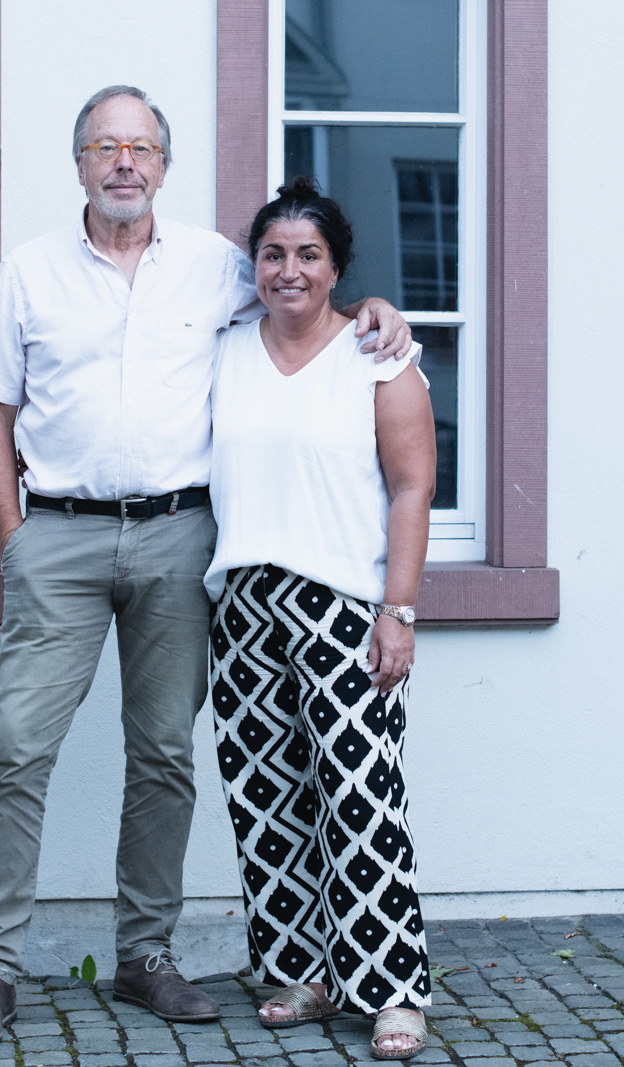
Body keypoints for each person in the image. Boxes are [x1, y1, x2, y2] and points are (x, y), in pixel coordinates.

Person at [0, 86, 415, 1050]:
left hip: (178, 537)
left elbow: (305, 299)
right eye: (104, 146)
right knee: (18, 746)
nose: (124, 162)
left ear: (164, 164)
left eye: (141, 147)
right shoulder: (28, 272)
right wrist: (15, 536)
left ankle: (145, 952)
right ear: (79, 162)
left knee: (163, 752)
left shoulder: (216, 265)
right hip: (61, 536)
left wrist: (376, 308)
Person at [205, 178, 436, 1060]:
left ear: (337, 268)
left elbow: (413, 488)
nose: (289, 270)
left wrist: (398, 612)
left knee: (361, 797)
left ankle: (394, 990)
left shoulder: (377, 358)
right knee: (266, 797)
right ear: (254, 266)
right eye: (273, 254)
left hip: (343, 605)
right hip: (244, 602)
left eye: (309, 254)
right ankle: (302, 972)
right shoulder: (224, 350)